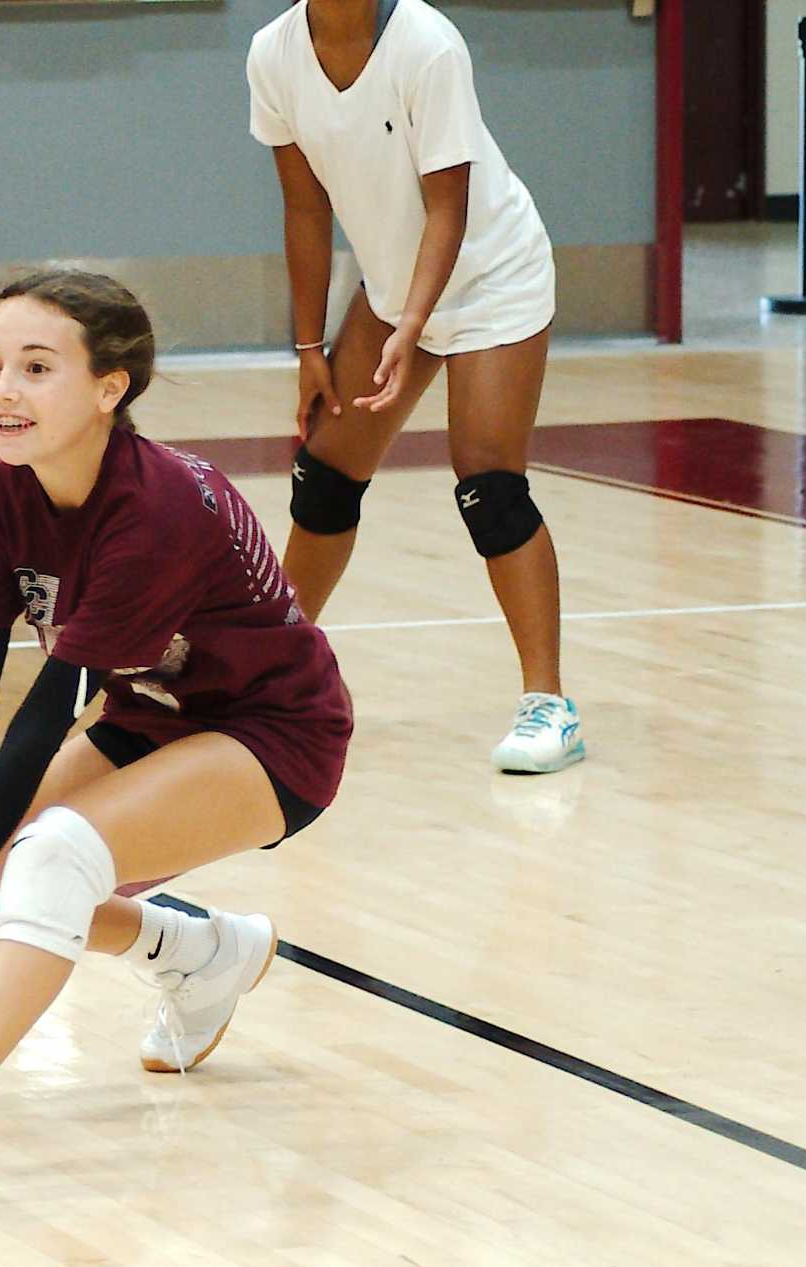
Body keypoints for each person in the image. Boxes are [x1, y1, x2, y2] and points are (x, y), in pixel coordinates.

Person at [0, 269, 352, 1205]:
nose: (4, 390)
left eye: (37, 368)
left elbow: (45, 712)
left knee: (49, 856)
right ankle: (201, 956)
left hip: (274, 733)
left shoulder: (156, 510)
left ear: (109, 388)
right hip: (151, 716)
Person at [249, 0, 583, 773]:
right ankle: (271, 676)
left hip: (491, 276)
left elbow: (448, 207)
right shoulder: (273, 54)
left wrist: (414, 324)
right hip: (394, 286)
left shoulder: (427, 45)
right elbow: (305, 207)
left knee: (490, 485)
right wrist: (310, 347)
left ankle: (550, 704)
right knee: (326, 474)